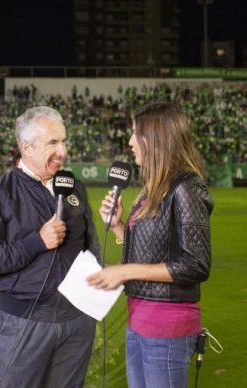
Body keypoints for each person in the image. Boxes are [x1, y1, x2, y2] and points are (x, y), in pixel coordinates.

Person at [0, 106, 100, 387]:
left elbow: (91, 248)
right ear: (26, 147)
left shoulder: (74, 188)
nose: (62, 151)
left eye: (64, 141)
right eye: (53, 143)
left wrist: (93, 301)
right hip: (25, 323)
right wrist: (36, 242)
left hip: (77, 322)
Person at [87, 102, 213, 388]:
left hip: (167, 326)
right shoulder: (153, 188)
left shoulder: (185, 188)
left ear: (156, 138)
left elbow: (196, 264)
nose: (130, 142)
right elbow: (152, 249)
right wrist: (119, 226)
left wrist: (125, 271)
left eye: (135, 134)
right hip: (139, 319)